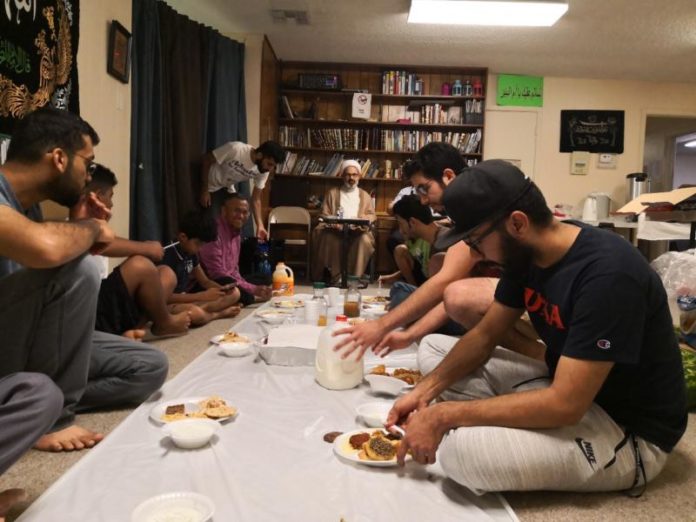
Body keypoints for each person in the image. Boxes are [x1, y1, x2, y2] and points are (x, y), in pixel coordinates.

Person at [387, 160, 688, 495]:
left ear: (517, 223)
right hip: (564, 384)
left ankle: (512, 420)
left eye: (474, 241)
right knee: (433, 348)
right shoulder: (526, 253)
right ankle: (519, 416)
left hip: (627, 429)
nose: (475, 253)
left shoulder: (609, 275)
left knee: (462, 454)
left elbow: (566, 404)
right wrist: (422, 393)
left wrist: (444, 416)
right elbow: (485, 336)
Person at [0, 107, 168, 455]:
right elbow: (46, 250)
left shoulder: (28, 208)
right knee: (80, 269)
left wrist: (77, 224)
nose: (88, 175)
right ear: (59, 158)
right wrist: (90, 229)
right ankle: (52, 417)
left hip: (21, 340)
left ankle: (33, 404)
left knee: (150, 367)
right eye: (87, 164)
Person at [335, 142, 540, 358]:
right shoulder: (461, 216)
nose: (423, 199)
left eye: (425, 188)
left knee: (452, 294)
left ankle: (541, 356)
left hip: (535, 301)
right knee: (441, 322)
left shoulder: (479, 204)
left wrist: (381, 326)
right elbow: (449, 295)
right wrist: (410, 335)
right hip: (510, 296)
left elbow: (446, 284)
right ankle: (540, 356)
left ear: (449, 176)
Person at [89, 164, 191, 338]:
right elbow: (101, 242)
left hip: (106, 306)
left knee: (166, 273)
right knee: (139, 265)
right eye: (110, 196)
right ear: (98, 197)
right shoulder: (76, 229)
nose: (112, 204)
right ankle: (165, 322)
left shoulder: (98, 228)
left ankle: (136, 330)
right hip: (90, 308)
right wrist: (147, 248)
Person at [160, 209, 244, 321]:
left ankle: (203, 311)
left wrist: (221, 290)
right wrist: (201, 296)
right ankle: (217, 314)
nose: (200, 249)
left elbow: (205, 281)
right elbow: (164, 298)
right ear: (183, 237)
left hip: (189, 300)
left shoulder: (191, 253)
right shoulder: (167, 255)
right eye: (198, 244)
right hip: (169, 304)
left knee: (235, 293)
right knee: (195, 313)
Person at [199, 140, 286, 240]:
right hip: (210, 184)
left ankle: (231, 252)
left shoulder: (264, 171)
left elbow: (256, 199)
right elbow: (206, 160)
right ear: (259, 155)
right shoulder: (236, 149)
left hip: (226, 187)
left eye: (273, 166)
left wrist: (260, 225)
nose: (270, 169)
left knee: (237, 221)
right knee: (213, 226)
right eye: (269, 164)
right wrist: (204, 189)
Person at [310, 160, 376, 284]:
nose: (351, 178)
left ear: (359, 177)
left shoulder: (365, 195)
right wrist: (334, 224)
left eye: (354, 175)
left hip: (357, 231)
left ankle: (354, 278)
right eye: (348, 174)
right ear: (342, 176)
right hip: (336, 230)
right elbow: (324, 214)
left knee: (365, 240)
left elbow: (372, 215)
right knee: (328, 237)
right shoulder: (332, 193)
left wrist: (362, 220)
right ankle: (337, 278)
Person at [199, 193, 272, 304]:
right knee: (231, 285)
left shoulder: (236, 232)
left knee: (265, 277)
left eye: (244, 212)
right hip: (211, 281)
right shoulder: (213, 231)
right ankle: (250, 298)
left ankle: (244, 296)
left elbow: (234, 269)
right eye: (236, 211)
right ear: (224, 211)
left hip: (230, 278)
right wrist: (252, 289)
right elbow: (216, 273)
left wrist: (246, 284)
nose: (241, 216)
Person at [380, 194, 442, 287]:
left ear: (412, 222)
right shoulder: (419, 239)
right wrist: (394, 276)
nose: (400, 231)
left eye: (400, 224)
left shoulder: (440, 244)